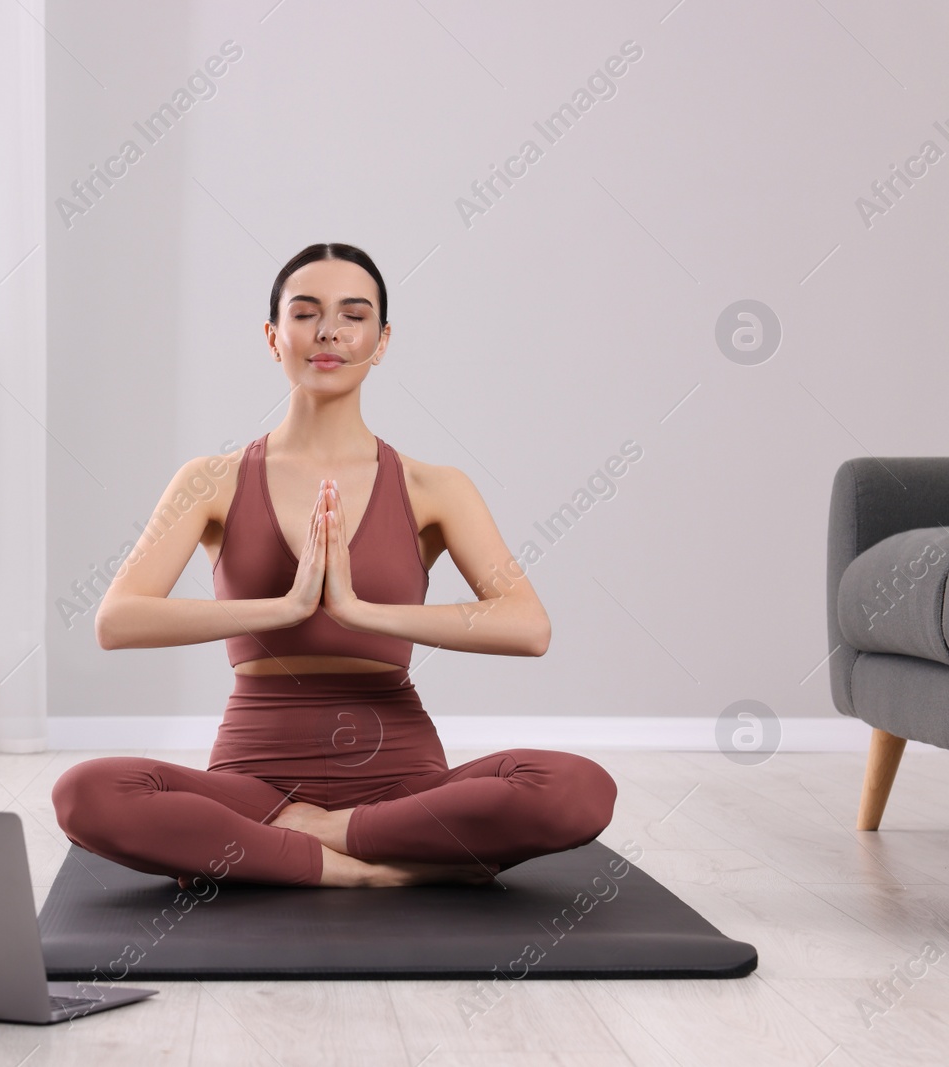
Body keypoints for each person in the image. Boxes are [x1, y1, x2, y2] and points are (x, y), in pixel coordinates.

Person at [52, 242, 617, 888]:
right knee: (86, 792)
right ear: (273, 336)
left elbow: (528, 627)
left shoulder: (437, 486)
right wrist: (287, 607)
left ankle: (305, 844)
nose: (328, 331)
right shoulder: (212, 480)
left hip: (400, 779)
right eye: (305, 313)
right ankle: (373, 872)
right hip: (253, 778)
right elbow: (117, 620)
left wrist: (359, 610)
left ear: (381, 340)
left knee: (577, 787)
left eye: (353, 314)